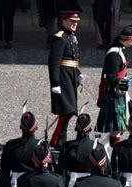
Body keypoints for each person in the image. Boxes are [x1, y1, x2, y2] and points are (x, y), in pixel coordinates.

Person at [48, 7, 84, 149]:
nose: (75, 24)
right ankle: (56, 139)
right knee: (67, 110)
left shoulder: (71, 36)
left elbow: (72, 60)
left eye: (76, 21)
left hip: (70, 77)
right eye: (72, 21)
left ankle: (60, 139)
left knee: (68, 111)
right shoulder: (60, 38)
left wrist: (78, 73)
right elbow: (53, 62)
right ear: (64, 21)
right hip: (63, 78)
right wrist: (55, 82)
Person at [96, 25, 132, 138]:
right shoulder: (114, 54)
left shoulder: (119, 50)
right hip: (113, 95)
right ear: (129, 39)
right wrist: (130, 82)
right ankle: (113, 152)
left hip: (120, 93)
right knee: (116, 129)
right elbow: (111, 78)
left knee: (120, 127)